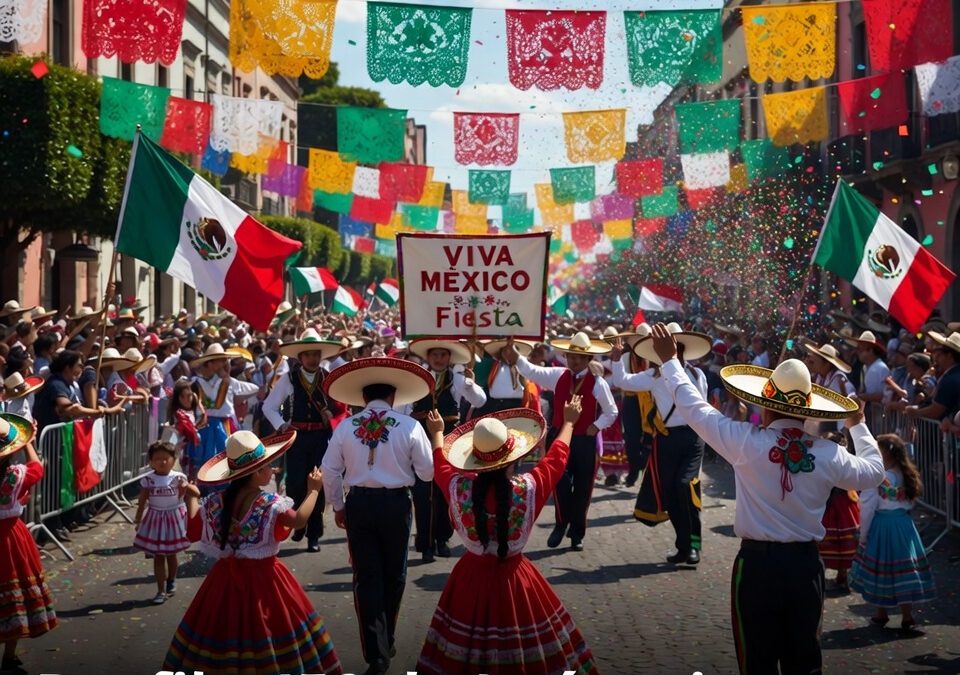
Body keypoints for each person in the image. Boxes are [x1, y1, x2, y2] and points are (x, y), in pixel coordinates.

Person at [647, 322, 885, 674]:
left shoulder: (747, 442)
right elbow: (875, 471)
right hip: (805, 568)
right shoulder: (827, 454)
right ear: (808, 412)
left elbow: (695, 409)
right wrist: (857, 424)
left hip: (757, 567)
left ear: (766, 407)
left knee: (756, 662)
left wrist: (670, 363)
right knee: (803, 662)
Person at [417, 399, 600, 675]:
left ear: (473, 459)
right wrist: (570, 422)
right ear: (512, 459)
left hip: (469, 580)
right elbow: (556, 459)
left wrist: (437, 433)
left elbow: (441, 464)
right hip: (516, 580)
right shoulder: (527, 489)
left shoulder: (458, 488)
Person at [162, 429, 342, 675]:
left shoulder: (216, 502)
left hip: (222, 582)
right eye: (269, 465)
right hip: (266, 582)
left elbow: (192, 531)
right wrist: (313, 490)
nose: (273, 469)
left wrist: (192, 497)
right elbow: (299, 520)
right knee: (271, 634)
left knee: (219, 638)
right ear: (257, 472)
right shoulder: (269, 504)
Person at [321, 357, 435, 675]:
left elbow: (330, 470)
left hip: (359, 505)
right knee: (394, 575)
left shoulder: (346, 427)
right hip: (396, 504)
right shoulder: (410, 426)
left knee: (366, 577)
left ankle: (377, 651)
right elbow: (427, 474)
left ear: (364, 397)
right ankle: (387, 639)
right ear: (393, 398)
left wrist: (338, 506)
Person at [503, 332, 617, 551]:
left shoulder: (597, 383)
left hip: (585, 440)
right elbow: (532, 371)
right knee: (558, 481)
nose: (574, 361)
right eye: (571, 356)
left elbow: (611, 411)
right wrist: (516, 356)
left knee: (583, 488)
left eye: (579, 358)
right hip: (559, 437)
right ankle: (561, 523)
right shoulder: (558, 375)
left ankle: (577, 534)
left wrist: (597, 426)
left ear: (588, 360)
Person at [608, 322, 711, 564]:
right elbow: (622, 381)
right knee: (671, 492)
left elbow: (704, 408)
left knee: (685, 487)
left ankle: (694, 545)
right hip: (666, 439)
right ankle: (682, 545)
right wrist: (617, 357)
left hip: (692, 438)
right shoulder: (654, 376)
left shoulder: (697, 374)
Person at [262, 329, 346, 552]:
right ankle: (298, 523)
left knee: (317, 483)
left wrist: (332, 416)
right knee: (296, 483)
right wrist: (282, 425)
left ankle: (314, 534)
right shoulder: (288, 379)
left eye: (316, 354)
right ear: (301, 357)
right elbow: (268, 406)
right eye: (308, 355)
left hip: (321, 437)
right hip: (297, 438)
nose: (312, 358)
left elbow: (341, 409)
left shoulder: (329, 378)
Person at [408, 338, 487, 562]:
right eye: (435, 355)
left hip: (449, 438)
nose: (439, 359)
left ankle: (442, 539)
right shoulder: (417, 378)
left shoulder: (459, 379)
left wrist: (472, 384)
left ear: (449, 358)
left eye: (443, 355)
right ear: (428, 357)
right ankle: (425, 544)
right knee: (423, 493)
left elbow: (480, 401)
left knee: (445, 491)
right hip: (422, 438)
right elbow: (404, 408)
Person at [849, 433, 936, 632]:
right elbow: (910, 502)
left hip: (883, 526)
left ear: (885, 453)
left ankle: (881, 613)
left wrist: (863, 534)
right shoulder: (907, 474)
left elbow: (868, 504)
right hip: (904, 525)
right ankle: (907, 615)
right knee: (902, 569)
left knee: (883, 569)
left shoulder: (879, 476)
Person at [0, 413, 57, 671]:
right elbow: (38, 468)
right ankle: (9, 656)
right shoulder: (15, 474)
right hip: (10, 538)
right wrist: (29, 442)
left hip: (9, 535)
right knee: (13, 594)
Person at [133, 441, 190, 604]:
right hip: (154, 519)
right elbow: (142, 500)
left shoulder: (179, 477)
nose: (162, 462)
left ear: (173, 459)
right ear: (151, 461)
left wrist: (185, 488)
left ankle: (172, 579)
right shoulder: (148, 480)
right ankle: (160, 590)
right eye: (157, 458)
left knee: (171, 554)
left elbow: (187, 495)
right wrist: (138, 520)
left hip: (173, 520)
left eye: (166, 458)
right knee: (158, 555)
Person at [816, 431, 860, 592]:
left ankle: (840, 575)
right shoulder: (844, 461)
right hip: (840, 504)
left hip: (839, 504)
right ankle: (841, 575)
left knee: (834, 538)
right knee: (839, 539)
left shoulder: (832, 461)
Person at [166, 379, 207, 481]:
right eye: (182, 397)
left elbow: (203, 418)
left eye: (189, 396)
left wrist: (198, 402)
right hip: (184, 449)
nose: (186, 399)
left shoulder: (196, 411)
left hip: (197, 447)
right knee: (185, 475)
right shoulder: (179, 414)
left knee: (197, 473)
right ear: (177, 398)